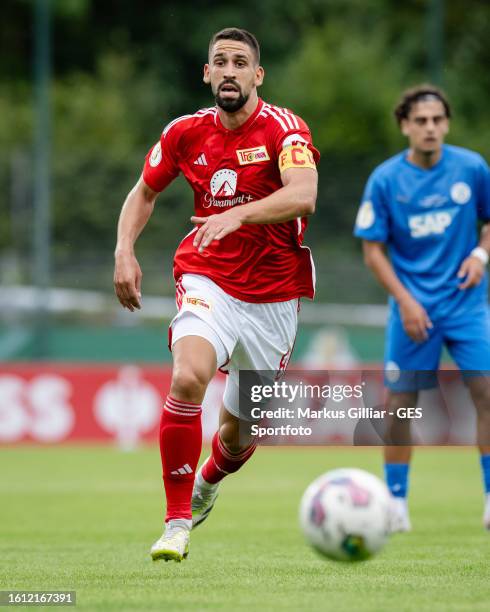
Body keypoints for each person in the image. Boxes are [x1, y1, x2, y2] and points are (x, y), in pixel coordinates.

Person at [114, 27, 319, 561]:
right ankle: (175, 523)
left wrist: (237, 214)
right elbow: (144, 193)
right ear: (207, 73)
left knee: (237, 434)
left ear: (258, 75)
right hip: (208, 277)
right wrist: (123, 251)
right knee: (187, 377)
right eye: (220, 62)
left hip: (274, 296)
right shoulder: (184, 133)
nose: (229, 70)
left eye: (240, 62)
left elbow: (305, 196)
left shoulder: (284, 130)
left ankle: (207, 482)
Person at [354, 84, 490, 531]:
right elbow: (372, 250)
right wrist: (406, 300)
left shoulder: (472, 169)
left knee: (487, 394)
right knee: (400, 404)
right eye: (421, 121)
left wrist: (480, 255)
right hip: (412, 308)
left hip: (467, 306)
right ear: (405, 126)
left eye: (437, 120)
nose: (430, 128)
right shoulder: (386, 180)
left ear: (446, 123)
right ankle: (395, 504)